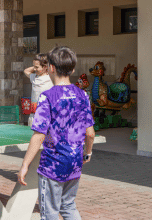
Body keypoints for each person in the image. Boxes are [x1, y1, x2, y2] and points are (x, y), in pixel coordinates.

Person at [17, 46, 95, 220]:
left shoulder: (47, 96)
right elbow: (90, 133)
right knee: (68, 206)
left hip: (52, 164)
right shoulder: (83, 95)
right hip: (75, 161)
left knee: (49, 213)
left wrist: (25, 165)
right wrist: (87, 153)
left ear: (51, 68)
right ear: (72, 69)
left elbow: (39, 135)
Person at [23, 54, 53, 127]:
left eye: (37, 67)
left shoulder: (51, 78)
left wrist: (46, 66)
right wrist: (35, 66)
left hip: (46, 115)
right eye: (34, 67)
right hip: (33, 115)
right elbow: (26, 71)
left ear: (45, 67)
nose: (35, 69)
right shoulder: (34, 77)